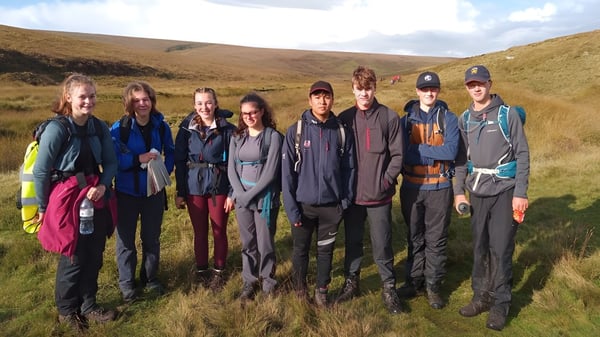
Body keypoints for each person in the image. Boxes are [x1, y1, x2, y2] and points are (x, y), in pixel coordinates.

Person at [33, 73, 118, 332]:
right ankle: (67, 310)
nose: (88, 102)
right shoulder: (57, 129)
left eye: (92, 96)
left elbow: (111, 162)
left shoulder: (99, 126)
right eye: (83, 96)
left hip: (95, 196)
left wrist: (103, 185)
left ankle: (89, 305)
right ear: (69, 97)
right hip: (66, 199)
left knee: (95, 253)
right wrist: (43, 208)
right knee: (74, 255)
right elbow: (41, 171)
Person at [454, 65, 530, 331]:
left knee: (501, 248)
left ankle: (500, 304)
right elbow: (461, 159)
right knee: (480, 248)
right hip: (477, 192)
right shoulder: (465, 119)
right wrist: (458, 191)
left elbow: (522, 154)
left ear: (489, 83)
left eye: (481, 83)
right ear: (466, 87)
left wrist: (520, 193)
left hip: (504, 191)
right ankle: (481, 297)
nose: (476, 88)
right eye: (471, 84)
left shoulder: (507, 116)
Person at [336, 65, 404, 314]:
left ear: (375, 87)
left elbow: (397, 156)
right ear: (352, 89)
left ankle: (389, 287)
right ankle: (351, 282)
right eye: (359, 89)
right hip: (353, 197)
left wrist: (385, 181)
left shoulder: (389, 117)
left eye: (368, 88)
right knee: (353, 242)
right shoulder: (343, 119)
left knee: (382, 244)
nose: (364, 93)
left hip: (380, 197)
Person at [282, 80, 355, 307]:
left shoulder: (342, 131)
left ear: (332, 99)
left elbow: (349, 169)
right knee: (300, 250)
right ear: (309, 100)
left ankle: (321, 291)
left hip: (332, 207)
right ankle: (300, 289)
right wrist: (292, 210)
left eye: (326, 96)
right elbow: (286, 176)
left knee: (326, 252)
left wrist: (344, 201)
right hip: (303, 207)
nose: (322, 101)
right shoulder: (296, 131)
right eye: (317, 96)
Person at [396, 71, 459, 309]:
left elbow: (451, 152)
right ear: (417, 91)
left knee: (436, 240)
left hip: (441, 188)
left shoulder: (449, 119)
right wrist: (432, 152)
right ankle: (413, 281)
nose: (429, 92)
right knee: (414, 237)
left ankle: (433, 286)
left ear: (438, 91)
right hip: (412, 187)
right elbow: (402, 153)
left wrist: (419, 151)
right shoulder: (405, 121)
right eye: (425, 89)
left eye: (433, 89)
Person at [110, 81, 175, 303]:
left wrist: (162, 172)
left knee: (151, 238)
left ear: (152, 100)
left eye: (145, 99)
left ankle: (150, 279)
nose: (142, 103)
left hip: (153, 194)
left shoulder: (161, 126)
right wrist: (137, 159)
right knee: (126, 242)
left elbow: (172, 152)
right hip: (126, 194)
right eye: (136, 100)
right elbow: (112, 161)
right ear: (129, 103)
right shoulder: (119, 129)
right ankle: (127, 285)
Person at [174, 87, 236, 292]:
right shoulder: (186, 129)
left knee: (220, 232)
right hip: (193, 186)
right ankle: (202, 271)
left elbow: (234, 163)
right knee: (199, 232)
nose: (204, 107)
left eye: (208, 102)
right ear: (194, 106)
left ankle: (219, 272)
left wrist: (231, 193)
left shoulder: (227, 129)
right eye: (199, 103)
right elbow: (180, 161)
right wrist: (181, 192)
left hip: (219, 187)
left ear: (216, 103)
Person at [228, 92, 282, 301]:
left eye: (253, 112)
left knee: (265, 243)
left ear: (262, 112)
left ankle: (268, 282)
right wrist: (240, 195)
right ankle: (249, 282)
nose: (248, 117)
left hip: (264, 200)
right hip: (242, 199)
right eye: (244, 114)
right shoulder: (237, 137)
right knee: (248, 243)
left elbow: (270, 173)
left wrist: (248, 195)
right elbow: (231, 169)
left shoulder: (273, 137)